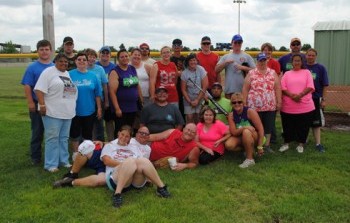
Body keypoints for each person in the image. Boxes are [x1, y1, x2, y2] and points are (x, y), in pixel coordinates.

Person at [34, 53, 78, 172]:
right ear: (55, 61)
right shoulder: (48, 72)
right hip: (52, 112)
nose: (64, 63)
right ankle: (50, 164)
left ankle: (63, 161)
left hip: (66, 113)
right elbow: (38, 89)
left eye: (66, 62)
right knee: (52, 138)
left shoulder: (67, 74)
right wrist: (42, 105)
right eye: (61, 61)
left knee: (63, 138)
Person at [21, 39, 54, 165]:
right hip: (37, 103)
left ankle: (51, 156)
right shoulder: (32, 67)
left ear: (51, 51)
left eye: (46, 49)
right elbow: (27, 85)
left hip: (52, 104)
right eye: (41, 49)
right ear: (37, 51)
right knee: (37, 131)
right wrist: (30, 103)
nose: (44, 52)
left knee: (52, 132)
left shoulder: (54, 66)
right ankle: (36, 157)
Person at [242, 53, 282, 153]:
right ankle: (256, 144)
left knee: (268, 126)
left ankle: (267, 145)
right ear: (257, 61)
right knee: (256, 127)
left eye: (264, 60)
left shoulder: (272, 73)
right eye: (260, 60)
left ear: (266, 61)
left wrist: (279, 101)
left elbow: (277, 88)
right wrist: (244, 101)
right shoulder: (251, 73)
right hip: (254, 106)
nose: (262, 62)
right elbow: (245, 88)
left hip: (269, 105)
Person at [279, 54, 315, 153]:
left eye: (299, 60)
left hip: (305, 106)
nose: (297, 62)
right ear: (292, 62)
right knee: (287, 126)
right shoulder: (287, 74)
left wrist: (300, 95)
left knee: (303, 126)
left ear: (302, 62)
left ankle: (301, 144)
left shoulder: (307, 72)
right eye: (295, 61)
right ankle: (286, 143)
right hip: (288, 106)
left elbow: (310, 86)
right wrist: (292, 96)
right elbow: (283, 87)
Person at [69, 52, 102, 159]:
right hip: (74, 110)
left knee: (87, 135)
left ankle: (86, 154)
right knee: (74, 134)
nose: (82, 61)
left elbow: (97, 94)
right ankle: (75, 154)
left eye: (84, 59)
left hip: (89, 110)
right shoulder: (69, 74)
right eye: (79, 59)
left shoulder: (93, 76)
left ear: (87, 62)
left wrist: (99, 108)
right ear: (75, 61)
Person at [225, 93, 265, 168]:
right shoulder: (231, 115)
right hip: (241, 136)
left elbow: (261, 129)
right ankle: (248, 150)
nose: (237, 104)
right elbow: (234, 132)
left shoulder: (250, 112)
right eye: (234, 102)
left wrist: (260, 146)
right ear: (231, 104)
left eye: (239, 102)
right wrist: (245, 127)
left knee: (246, 132)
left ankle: (250, 159)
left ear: (243, 102)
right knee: (229, 145)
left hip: (255, 136)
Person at [109, 49, 142, 136]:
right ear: (118, 59)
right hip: (121, 107)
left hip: (132, 106)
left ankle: (127, 148)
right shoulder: (115, 71)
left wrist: (141, 99)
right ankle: (117, 148)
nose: (124, 58)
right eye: (122, 57)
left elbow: (137, 85)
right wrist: (117, 108)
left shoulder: (132, 69)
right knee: (120, 130)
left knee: (130, 129)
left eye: (126, 56)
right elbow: (112, 92)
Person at [215, 34, 255, 99]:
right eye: (235, 42)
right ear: (232, 43)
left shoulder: (247, 56)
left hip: (243, 90)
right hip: (229, 91)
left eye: (239, 42)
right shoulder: (226, 57)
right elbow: (216, 70)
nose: (237, 44)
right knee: (228, 109)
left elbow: (255, 71)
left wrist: (243, 68)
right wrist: (225, 63)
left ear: (241, 43)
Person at [306, 48, 329, 152]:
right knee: (304, 121)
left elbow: (325, 85)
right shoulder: (302, 67)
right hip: (304, 99)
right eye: (308, 55)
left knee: (316, 123)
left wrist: (323, 99)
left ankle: (318, 143)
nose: (310, 57)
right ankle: (302, 141)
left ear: (315, 56)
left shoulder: (321, 68)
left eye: (312, 55)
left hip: (315, 98)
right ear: (305, 56)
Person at [86, 48, 109, 141]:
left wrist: (106, 101)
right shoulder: (82, 68)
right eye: (89, 57)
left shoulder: (99, 69)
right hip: (86, 100)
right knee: (87, 124)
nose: (91, 59)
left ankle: (100, 146)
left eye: (93, 57)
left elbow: (104, 85)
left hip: (98, 100)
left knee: (99, 125)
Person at [260, 42, 281, 144]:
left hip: (271, 92)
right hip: (261, 94)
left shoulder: (274, 63)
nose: (267, 52)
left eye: (269, 50)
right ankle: (262, 137)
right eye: (265, 50)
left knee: (270, 118)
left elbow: (276, 79)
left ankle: (272, 138)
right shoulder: (260, 62)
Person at [181, 53, 208, 123]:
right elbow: (183, 89)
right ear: (188, 62)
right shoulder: (184, 73)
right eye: (191, 60)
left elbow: (205, 86)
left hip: (200, 96)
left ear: (197, 61)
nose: (193, 62)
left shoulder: (201, 69)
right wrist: (190, 101)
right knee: (189, 117)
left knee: (199, 117)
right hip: (188, 98)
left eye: (194, 60)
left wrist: (198, 100)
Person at [96, 46, 116, 142]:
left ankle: (111, 142)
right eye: (102, 53)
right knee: (97, 123)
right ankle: (97, 143)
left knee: (109, 122)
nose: (105, 55)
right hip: (97, 98)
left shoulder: (113, 67)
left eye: (107, 53)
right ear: (99, 54)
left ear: (110, 55)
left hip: (110, 99)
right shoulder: (94, 66)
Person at [171, 38, 186, 119]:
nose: (177, 47)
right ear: (172, 47)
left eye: (179, 45)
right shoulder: (170, 59)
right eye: (175, 45)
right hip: (172, 85)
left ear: (181, 47)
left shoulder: (185, 59)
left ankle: (182, 125)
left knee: (182, 106)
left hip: (183, 85)